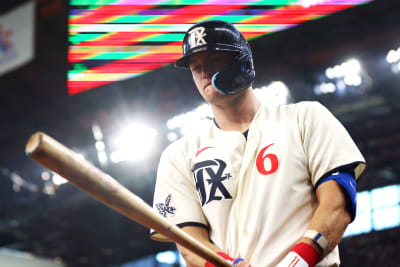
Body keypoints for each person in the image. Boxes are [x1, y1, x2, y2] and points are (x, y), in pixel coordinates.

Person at [150, 20, 366, 267]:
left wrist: (296, 262)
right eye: (195, 65)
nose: (202, 72)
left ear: (241, 59)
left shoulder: (305, 118)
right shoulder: (178, 156)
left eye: (212, 60)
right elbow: (189, 245)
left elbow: (337, 205)